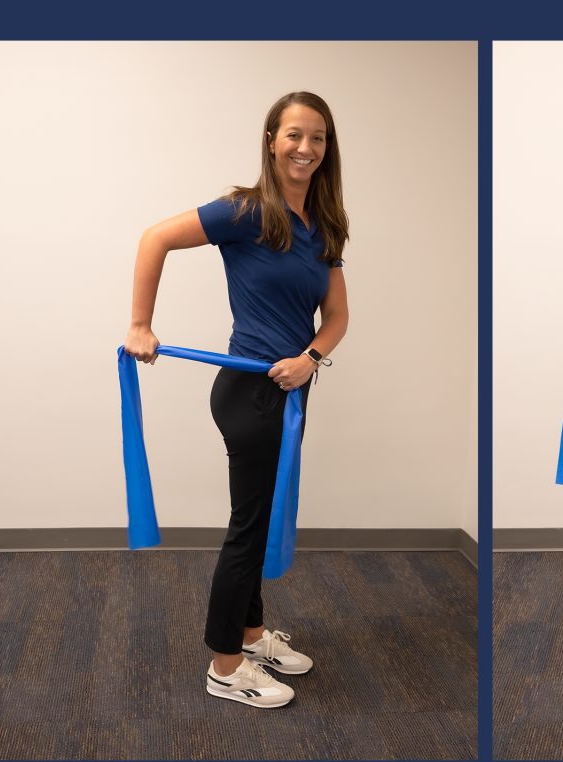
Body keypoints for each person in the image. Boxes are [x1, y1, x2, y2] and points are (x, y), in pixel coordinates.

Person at [123, 91, 349, 709]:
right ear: (272, 140)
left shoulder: (323, 226)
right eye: (294, 136)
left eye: (318, 138)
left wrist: (311, 359)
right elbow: (154, 238)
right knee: (248, 528)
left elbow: (336, 317)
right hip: (248, 391)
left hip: (292, 391)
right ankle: (225, 666)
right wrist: (140, 325)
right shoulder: (246, 211)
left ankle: (251, 635)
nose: (306, 148)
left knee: (261, 515)